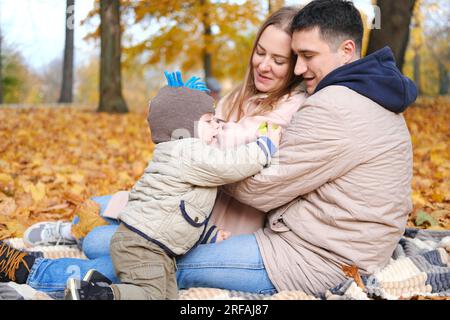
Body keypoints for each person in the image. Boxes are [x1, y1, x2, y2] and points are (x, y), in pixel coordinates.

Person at [0, 6, 306, 297]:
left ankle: (40, 270)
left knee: (101, 244)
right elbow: (199, 137)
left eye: (278, 60)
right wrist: (204, 129)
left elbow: (225, 145)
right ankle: (69, 230)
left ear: (295, 66)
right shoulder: (241, 94)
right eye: (260, 52)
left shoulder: (293, 105)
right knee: (101, 208)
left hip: (219, 223)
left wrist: (204, 130)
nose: (264, 65)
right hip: (183, 198)